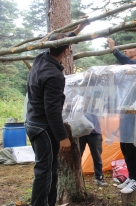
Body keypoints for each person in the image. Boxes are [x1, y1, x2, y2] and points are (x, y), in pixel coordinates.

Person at [24, 22, 88, 206]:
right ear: (67, 51)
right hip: (43, 128)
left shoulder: (40, 58)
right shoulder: (54, 75)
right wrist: (62, 137)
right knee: (45, 171)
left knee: (48, 169)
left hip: (33, 122)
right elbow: (51, 110)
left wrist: (77, 30)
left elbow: (58, 41)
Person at [107, 38, 136, 194]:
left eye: (128, 48)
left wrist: (114, 50)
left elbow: (129, 65)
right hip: (124, 113)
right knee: (124, 145)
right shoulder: (126, 67)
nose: (125, 50)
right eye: (123, 49)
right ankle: (131, 176)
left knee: (132, 146)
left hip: (134, 113)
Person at [79, 115, 108, 187]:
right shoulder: (79, 105)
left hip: (95, 133)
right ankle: (76, 177)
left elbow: (103, 116)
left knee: (97, 157)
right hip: (80, 133)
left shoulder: (96, 105)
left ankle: (99, 178)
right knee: (77, 157)